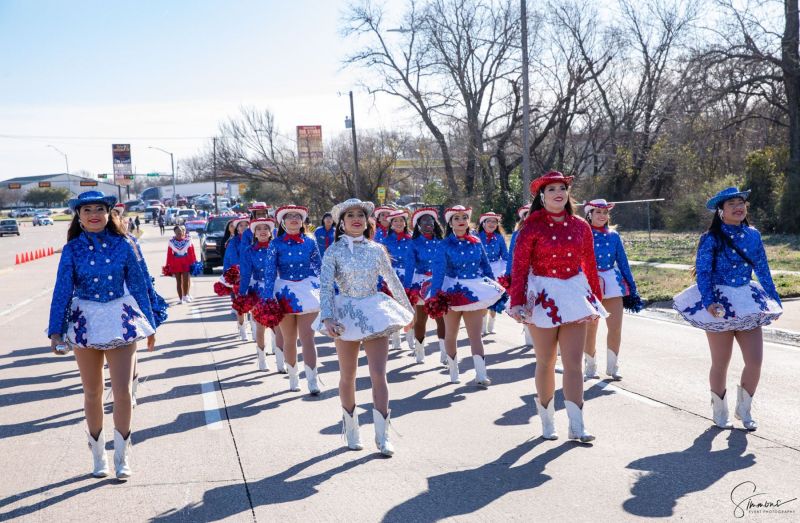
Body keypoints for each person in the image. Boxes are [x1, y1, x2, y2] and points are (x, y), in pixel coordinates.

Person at [48, 190, 156, 480]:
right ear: (79, 217)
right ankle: (99, 457)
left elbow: (138, 285)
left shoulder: (124, 244)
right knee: (92, 392)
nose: (93, 214)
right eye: (87, 210)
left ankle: (122, 457)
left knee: (122, 392)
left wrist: (151, 325)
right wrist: (55, 332)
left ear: (109, 214)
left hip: (120, 320)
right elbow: (62, 290)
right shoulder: (72, 249)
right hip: (85, 322)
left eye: (99, 209)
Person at [508, 171, 606, 443]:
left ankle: (577, 425)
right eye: (551, 189)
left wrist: (595, 301)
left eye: (562, 188)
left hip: (574, 294)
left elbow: (589, 264)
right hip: (542, 295)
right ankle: (547, 420)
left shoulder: (580, 226)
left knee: (573, 363)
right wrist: (517, 303)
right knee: (546, 361)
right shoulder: (531, 227)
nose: (557, 193)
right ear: (542, 196)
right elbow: (519, 267)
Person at [673, 187, 782, 431]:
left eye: (741, 202)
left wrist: (774, 299)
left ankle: (744, 410)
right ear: (721, 210)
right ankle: (720, 411)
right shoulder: (711, 238)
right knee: (721, 362)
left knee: (755, 361)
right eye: (731, 203)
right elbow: (703, 272)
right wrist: (710, 300)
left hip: (747, 300)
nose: (738, 207)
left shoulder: (753, 235)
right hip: (719, 302)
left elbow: (762, 268)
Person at [318, 198, 414, 456]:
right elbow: (326, 286)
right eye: (350, 215)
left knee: (378, 374)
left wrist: (408, 312)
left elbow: (392, 281)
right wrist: (327, 317)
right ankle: (351, 430)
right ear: (341, 222)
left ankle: (382, 437)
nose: (356, 219)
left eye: (360, 214)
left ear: (367, 220)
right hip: (345, 314)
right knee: (348, 375)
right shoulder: (334, 251)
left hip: (374, 312)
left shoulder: (376, 249)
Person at [426, 205, 505, 386]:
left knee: (475, 335)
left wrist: (495, 288)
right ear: (450, 223)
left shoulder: (476, 241)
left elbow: (485, 267)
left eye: (464, 217)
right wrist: (435, 296)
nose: (461, 221)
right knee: (451, 334)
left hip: (474, 291)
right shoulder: (443, 245)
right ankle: (454, 371)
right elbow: (438, 272)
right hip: (451, 292)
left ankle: (481, 374)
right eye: (456, 218)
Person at [262, 205, 322, 393]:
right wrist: (267, 297)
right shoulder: (275, 244)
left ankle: (312, 380)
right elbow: (270, 271)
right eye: (290, 217)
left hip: (306, 291)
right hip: (284, 293)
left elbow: (319, 267)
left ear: (303, 221)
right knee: (289, 339)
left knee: (308, 339)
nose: (294, 219)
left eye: (298, 216)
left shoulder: (310, 241)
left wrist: (329, 288)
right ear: (282, 222)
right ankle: (293, 378)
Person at [582, 199, 642, 381]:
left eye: (605, 212)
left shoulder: (614, 236)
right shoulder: (583, 234)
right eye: (598, 212)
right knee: (591, 328)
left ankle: (613, 367)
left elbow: (623, 262)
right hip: (589, 284)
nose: (602, 216)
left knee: (615, 328)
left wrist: (632, 288)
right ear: (589, 214)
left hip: (612, 283)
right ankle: (590, 366)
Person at [403, 207, 447, 364]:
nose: (429, 223)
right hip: (420, 284)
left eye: (431, 220)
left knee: (441, 319)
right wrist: (406, 290)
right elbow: (409, 268)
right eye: (424, 221)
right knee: (421, 320)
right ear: (418, 225)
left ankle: (445, 353)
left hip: (438, 283)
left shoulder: (442, 242)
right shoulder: (413, 244)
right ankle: (419, 349)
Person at [237, 217, 277, 371]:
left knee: (278, 326)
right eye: (259, 229)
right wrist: (242, 294)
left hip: (276, 288)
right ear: (254, 233)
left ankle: (280, 359)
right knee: (260, 326)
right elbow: (246, 274)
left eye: (265, 228)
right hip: (257, 289)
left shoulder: (277, 248)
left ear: (270, 231)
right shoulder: (249, 251)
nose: (262, 231)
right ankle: (262, 358)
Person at [381, 209, 414, 351]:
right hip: (391, 276)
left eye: (401, 220)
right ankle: (396, 338)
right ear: (391, 224)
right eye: (395, 221)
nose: (399, 223)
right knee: (393, 307)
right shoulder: (385, 240)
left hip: (409, 276)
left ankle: (411, 338)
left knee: (409, 306)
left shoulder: (412, 239)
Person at [506, 204, 533, 347]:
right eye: (526, 214)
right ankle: (528, 333)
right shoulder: (517, 234)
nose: (529, 216)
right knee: (525, 304)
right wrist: (508, 275)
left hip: (539, 274)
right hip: (523, 274)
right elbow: (512, 255)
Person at [478, 212, 509, 335]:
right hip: (481, 270)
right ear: (483, 223)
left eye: (494, 222)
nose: (492, 224)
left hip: (496, 269)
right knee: (484, 298)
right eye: (489, 221)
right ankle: (482, 326)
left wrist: (509, 268)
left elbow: (505, 255)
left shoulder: (499, 237)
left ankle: (491, 324)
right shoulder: (476, 236)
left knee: (495, 297)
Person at [163, 224, 201, 303]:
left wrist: (193, 262)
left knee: (186, 279)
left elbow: (191, 252)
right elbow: (169, 254)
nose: (179, 233)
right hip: (176, 262)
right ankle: (180, 299)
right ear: (175, 233)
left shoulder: (187, 241)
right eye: (177, 232)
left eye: (180, 231)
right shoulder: (171, 242)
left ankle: (186, 296)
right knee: (178, 281)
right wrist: (168, 264)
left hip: (185, 261)